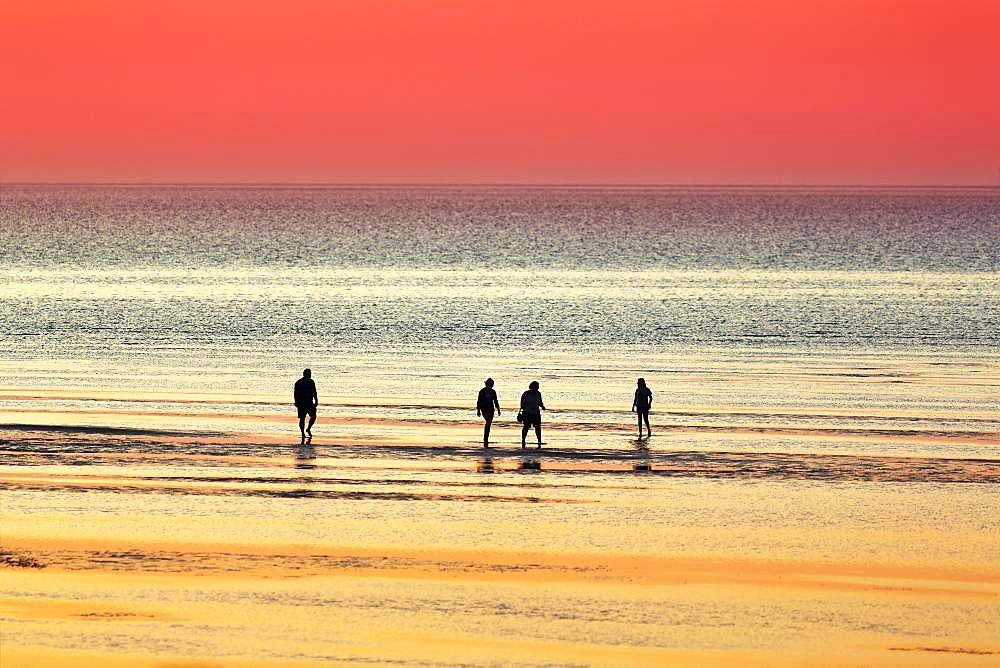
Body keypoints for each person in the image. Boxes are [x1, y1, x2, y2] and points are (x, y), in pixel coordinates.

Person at [294, 368, 318, 443]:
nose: (310, 375)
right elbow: (295, 393)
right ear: (304, 374)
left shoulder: (311, 382)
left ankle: (308, 428)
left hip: (309, 402)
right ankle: (302, 433)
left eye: (310, 374)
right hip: (301, 403)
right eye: (308, 374)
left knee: (313, 416)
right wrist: (296, 402)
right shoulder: (299, 382)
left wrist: (316, 400)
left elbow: (314, 391)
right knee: (302, 418)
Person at [519, 380, 546, 449]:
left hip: (536, 412)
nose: (537, 387)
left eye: (537, 386)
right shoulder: (526, 393)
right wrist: (525, 408)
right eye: (536, 386)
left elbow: (540, 402)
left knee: (537, 427)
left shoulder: (538, 394)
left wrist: (542, 406)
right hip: (527, 413)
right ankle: (523, 440)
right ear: (532, 386)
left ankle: (539, 440)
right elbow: (522, 404)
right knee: (526, 427)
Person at [476, 378, 501, 448]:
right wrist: (478, 410)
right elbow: (479, 401)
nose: (491, 385)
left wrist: (498, 409)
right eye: (490, 384)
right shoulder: (482, 391)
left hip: (491, 409)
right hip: (484, 409)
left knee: (489, 423)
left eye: (492, 384)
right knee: (488, 421)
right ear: (486, 384)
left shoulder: (493, 392)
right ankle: (485, 438)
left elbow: (495, 401)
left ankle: (486, 437)